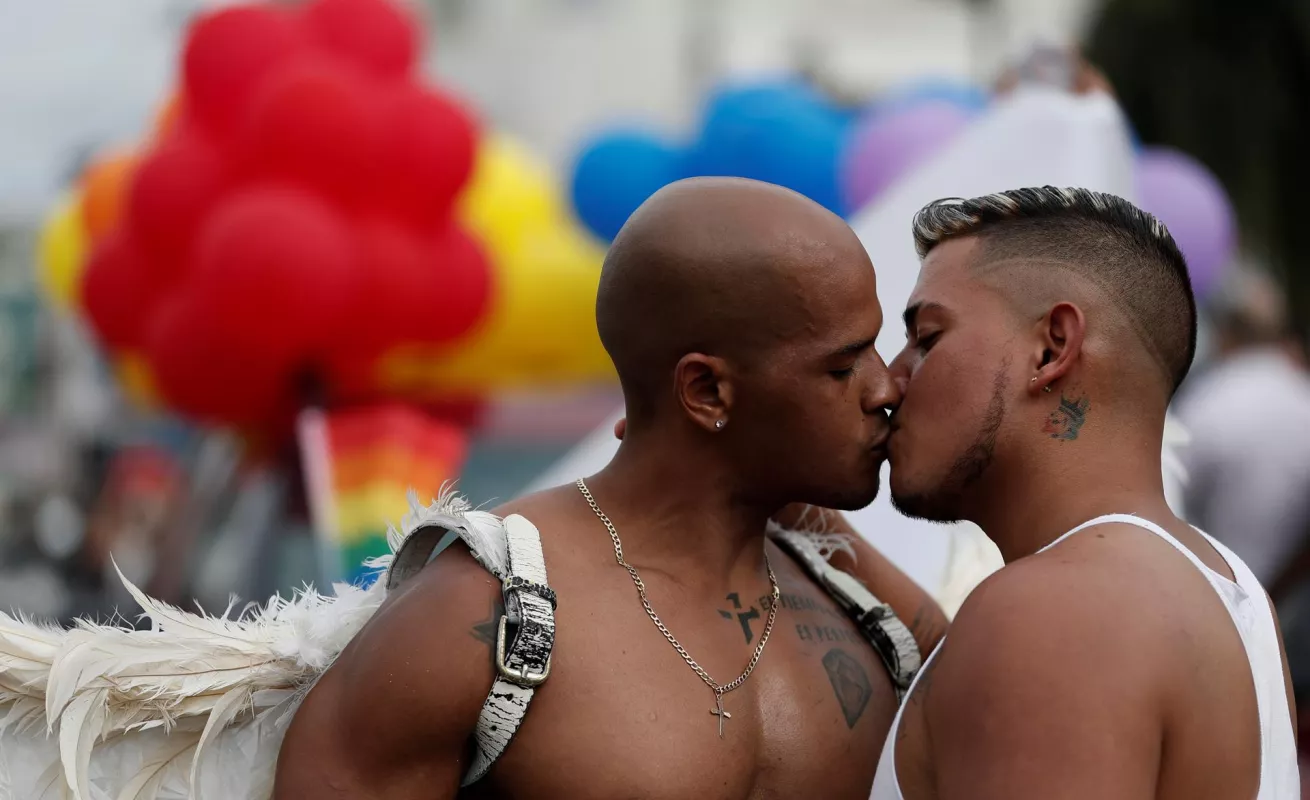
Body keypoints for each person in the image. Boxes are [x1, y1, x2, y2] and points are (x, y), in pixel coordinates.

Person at [273, 177, 947, 799]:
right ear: (707, 391)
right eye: (842, 367)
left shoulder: (861, 616)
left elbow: (981, 687)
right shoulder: (473, 616)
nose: (886, 386)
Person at [870, 186, 1298, 799]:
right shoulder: (1229, 584)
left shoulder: (1049, 611)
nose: (889, 381)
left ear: (1051, 348)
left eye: (928, 337)